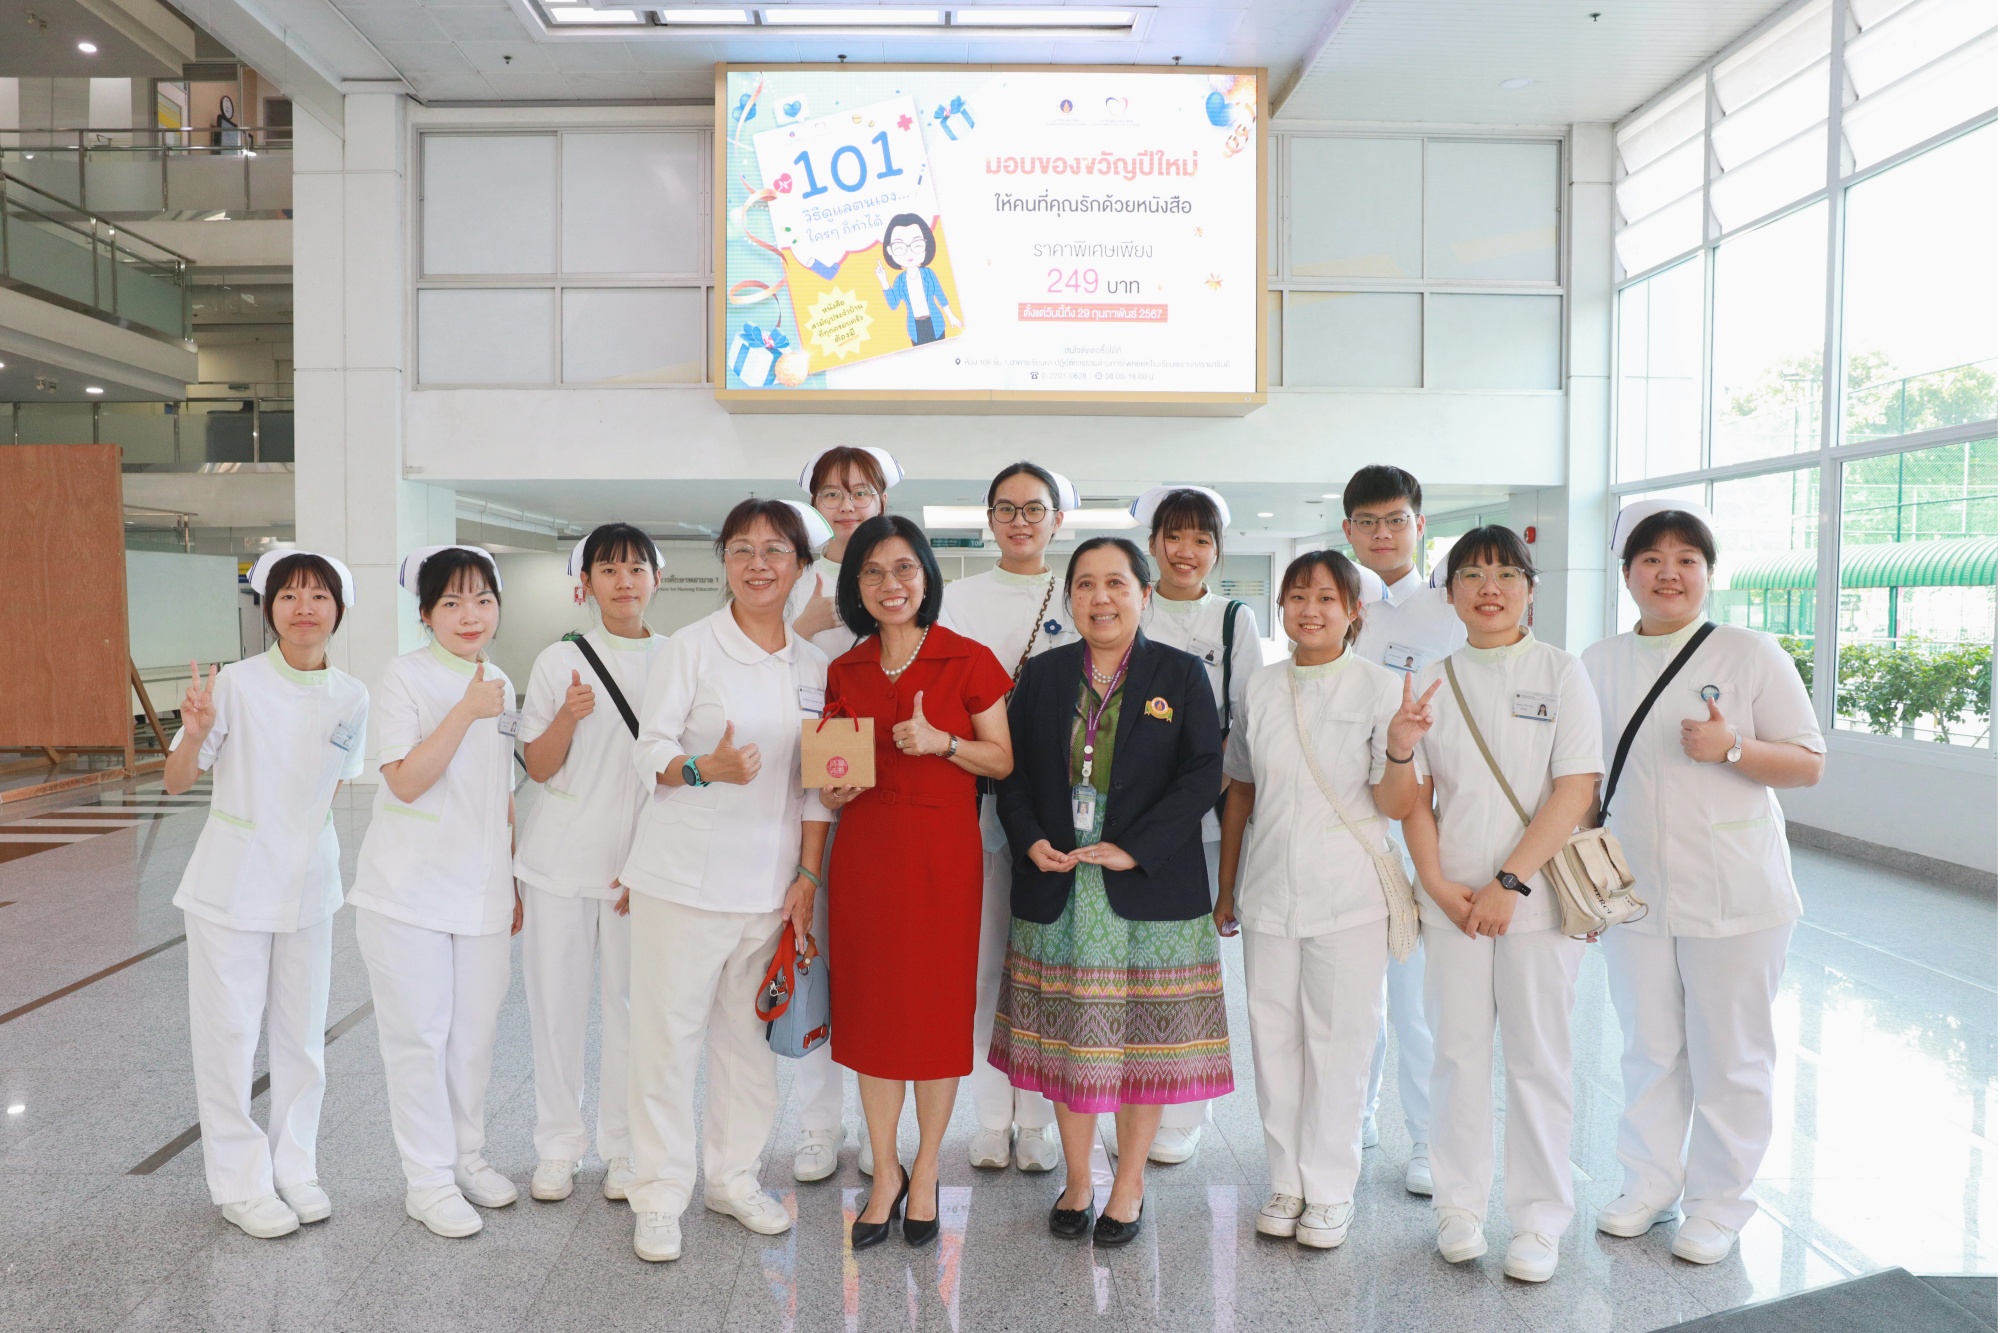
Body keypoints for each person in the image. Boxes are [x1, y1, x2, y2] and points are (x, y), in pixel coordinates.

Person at [1583, 500, 1825, 1266]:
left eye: (1687, 559)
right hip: (1637, 890)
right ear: (1627, 576)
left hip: (1737, 891)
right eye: (1651, 559)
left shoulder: (1750, 653)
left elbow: (1808, 760)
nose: (1669, 573)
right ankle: (1649, 1183)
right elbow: (1585, 781)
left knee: (1731, 1053)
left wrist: (1731, 748)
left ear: (1708, 574)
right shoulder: (1599, 662)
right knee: (1649, 1046)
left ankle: (1720, 1203)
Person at [1377, 525, 1604, 1283]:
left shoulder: (1562, 671)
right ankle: (1459, 1204)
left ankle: (1540, 1219)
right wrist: (1438, 881)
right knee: (1457, 1053)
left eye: (1507, 572)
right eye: (1472, 574)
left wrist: (1509, 884)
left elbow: (1575, 789)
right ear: (1450, 593)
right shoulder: (1434, 679)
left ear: (1531, 588)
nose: (1490, 586)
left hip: (1532, 901)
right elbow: (1412, 802)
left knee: (1539, 1059)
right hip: (1454, 900)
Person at [991, 537, 1230, 1247]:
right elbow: (1010, 773)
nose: (1102, 597)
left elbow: (1203, 773)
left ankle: (1127, 1186)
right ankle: (1077, 1178)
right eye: (1087, 584)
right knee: (1071, 1045)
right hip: (1060, 884)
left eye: (1116, 583)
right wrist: (1029, 834)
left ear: (1144, 593)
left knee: (1141, 1050)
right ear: (1070, 598)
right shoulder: (1041, 674)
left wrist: (1137, 846)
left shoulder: (1180, 674)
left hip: (1148, 889)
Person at [620, 500, 835, 1264]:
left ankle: (733, 1177)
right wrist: (702, 767)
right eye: (741, 549)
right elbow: (648, 750)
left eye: (775, 550)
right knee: (666, 1042)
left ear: (802, 566)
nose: (757, 564)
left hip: (769, 887)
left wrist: (809, 873)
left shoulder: (814, 668)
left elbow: (817, 787)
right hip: (682, 882)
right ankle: (657, 1193)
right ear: (724, 562)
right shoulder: (691, 647)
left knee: (746, 1044)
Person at [818, 515, 1016, 1249]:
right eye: (873, 572)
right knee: (871, 1017)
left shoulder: (968, 659)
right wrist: (832, 790)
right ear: (857, 586)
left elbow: (1002, 759)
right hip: (866, 858)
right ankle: (886, 1174)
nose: (890, 584)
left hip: (940, 863)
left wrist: (945, 743)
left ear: (927, 577)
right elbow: (831, 769)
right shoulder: (848, 668)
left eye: (904, 568)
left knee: (934, 1017)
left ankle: (928, 1169)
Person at [1216, 550, 1424, 1248]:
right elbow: (1241, 788)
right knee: (1273, 1038)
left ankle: (1331, 1187)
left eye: (1327, 598)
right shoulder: (1263, 689)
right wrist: (1227, 886)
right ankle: (1286, 1180)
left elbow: (1396, 801)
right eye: (1298, 596)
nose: (1310, 609)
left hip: (1349, 893)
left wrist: (1398, 748)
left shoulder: (1379, 686)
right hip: (1270, 888)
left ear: (1353, 610)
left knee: (1340, 1040)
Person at [164, 550, 368, 1239]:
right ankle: (240, 1182)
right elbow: (175, 779)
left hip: (310, 886)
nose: (304, 606)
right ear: (269, 607)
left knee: (302, 1040)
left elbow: (331, 783)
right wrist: (191, 734)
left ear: (339, 609)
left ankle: (295, 1167)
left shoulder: (353, 694)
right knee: (228, 1037)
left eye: (318, 595)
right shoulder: (236, 685)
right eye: (289, 594)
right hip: (232, 886)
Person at [347, 544, 521, 1240]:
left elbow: (499, 790)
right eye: (451, 602)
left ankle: (466, 1155)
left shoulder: (500, 678)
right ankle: (427, 1179)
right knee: (419, 1037)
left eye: (481, 598)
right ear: (425, 614)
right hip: (408, 893)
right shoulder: (404, 676)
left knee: (473, 1037)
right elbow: (406, 778)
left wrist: (511, 879)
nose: (469, 614)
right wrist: (467, 709)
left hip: (481, 890)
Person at [513, 523, 666, 1206]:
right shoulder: (559, 660)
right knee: (557, 1008)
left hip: (638, 870)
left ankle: (625, 1148)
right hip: (558, 862)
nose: (624, 580)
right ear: (587, 583)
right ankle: (557, 1148)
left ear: (655, 578)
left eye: (636, 567)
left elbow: (676, 773)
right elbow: (539, 767)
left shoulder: (676, 658)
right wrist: (568, 718)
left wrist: (649, 860)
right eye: (609, 569)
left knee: (634, 1011)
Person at [937, 462, 1081, 1174]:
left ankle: (1039, 1120)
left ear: (1059, 518)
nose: (1020, 520)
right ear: (988, 518)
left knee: (1049, 966)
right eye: (1005, 508)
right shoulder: (958, 598)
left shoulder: (1079, 589)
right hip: (979, 795)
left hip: (1063, 806)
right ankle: (993, 1117)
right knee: (986, 964)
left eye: (1034, 508)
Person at [1128, 484, 1263, 1166]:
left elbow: (1248, 730)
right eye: (1173, 536)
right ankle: (1128, 1091)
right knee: (1126, 962)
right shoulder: (1130, 607)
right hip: (1123, 820)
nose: (1186, 551)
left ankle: (1185, 1108)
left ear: (1217, 549)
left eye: (1201, 539)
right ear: (1153, 544)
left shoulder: (1234, 620)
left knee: (1187, 967)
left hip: (1202, 822)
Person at [1343, 464, 1464, 1196]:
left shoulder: (1451, 609)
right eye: (1368, 522)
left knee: (1418, 997)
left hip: (1422, 820)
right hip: (1349, 824)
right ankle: (1354, 1114)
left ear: (1420, 525)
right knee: (1353, 992)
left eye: (1396, 520)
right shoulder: (1335, 601)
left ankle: (1429, 1139)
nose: (1382, 533)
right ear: (1349, 530)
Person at [783, 445, 903, 1183]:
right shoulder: (799, 574)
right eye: (833, 491)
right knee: (815, 959)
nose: (848, 502)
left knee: (885, 968)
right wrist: (807, 623)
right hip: (814, 787)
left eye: (861, 489)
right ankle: (818, 1126)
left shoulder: (898, 564)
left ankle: (880, 1125)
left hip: (892, 786)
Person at [875, 213, 961, 346]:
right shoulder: (900, 280)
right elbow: (893, 305)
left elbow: (940, 296)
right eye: (899, 247)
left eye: (917, 245)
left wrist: (951, 316)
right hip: (915, 327)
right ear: (890, 250)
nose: (909, 252)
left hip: (935, 323)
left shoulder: (929, 274)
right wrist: (883, 280)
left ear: (926, 244)